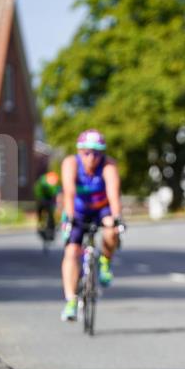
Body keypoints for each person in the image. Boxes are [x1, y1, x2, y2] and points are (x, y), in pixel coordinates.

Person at [59, 129, 124, 321]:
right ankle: (71, 300)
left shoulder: (108, 166)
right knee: (71, 252)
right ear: (79, 152)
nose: (92, 157)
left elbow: (113, 193)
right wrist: (70, 217)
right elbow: (69, 191)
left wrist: (117, 217)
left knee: (111, 230)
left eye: (97, 153)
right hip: (77, 211)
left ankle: (105, 262)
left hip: (101, 209)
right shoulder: (71, 163)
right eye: (87, 152)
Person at [34, 171, 61, 237]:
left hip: (48, 197)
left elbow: (56, 191)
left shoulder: (53, 183)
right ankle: (40, 223)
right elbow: (38, 190)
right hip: (42, 197)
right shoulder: (43, 181)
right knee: (41, 209)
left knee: (50, 212)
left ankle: (51, 227)